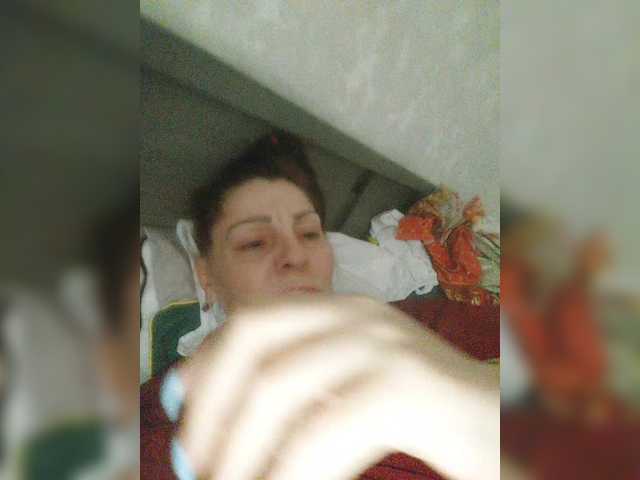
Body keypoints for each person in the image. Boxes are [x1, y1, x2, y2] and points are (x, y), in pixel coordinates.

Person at [141, 132, 499, 480]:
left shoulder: (426, 327)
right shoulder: (167, 425)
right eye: (255, 242)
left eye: (309, 234)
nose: (295, 256)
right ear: (208, 277)